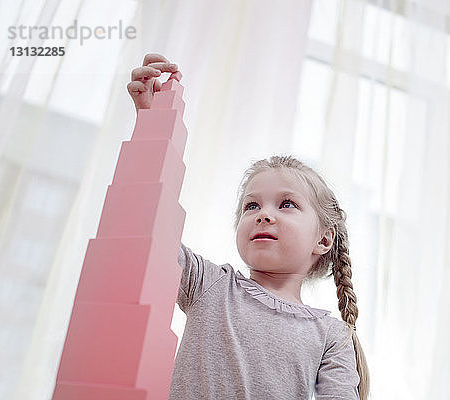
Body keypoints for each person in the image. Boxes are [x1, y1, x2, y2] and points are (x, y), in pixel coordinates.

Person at [128, 53, 370, 400]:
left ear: (324, 238)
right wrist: (151, 126)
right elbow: (146, 224)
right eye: (251, 205)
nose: (263, 214)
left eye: (286, 204)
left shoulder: (330, 335)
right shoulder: (208, 284)